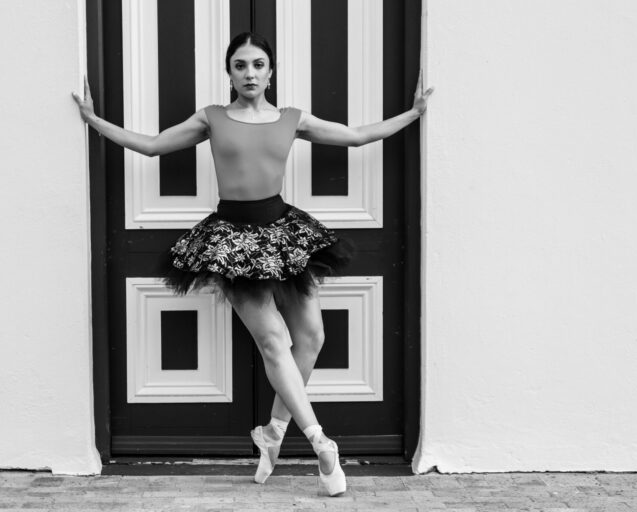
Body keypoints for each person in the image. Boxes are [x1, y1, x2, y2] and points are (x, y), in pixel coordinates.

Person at [73, 31, 432, 497]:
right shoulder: (212, 117)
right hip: (234, 240)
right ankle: (322, 443)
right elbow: (152, 145)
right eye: (240, 65)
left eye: (258, 64)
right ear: (229, 73)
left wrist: (414, 113)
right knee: (273, 340)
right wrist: (92, 118)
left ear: (270, 72)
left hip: (283, 232)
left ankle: (273, 432)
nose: (249, 73)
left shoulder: (292, 119)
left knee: (312, 338)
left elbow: (358, 137)